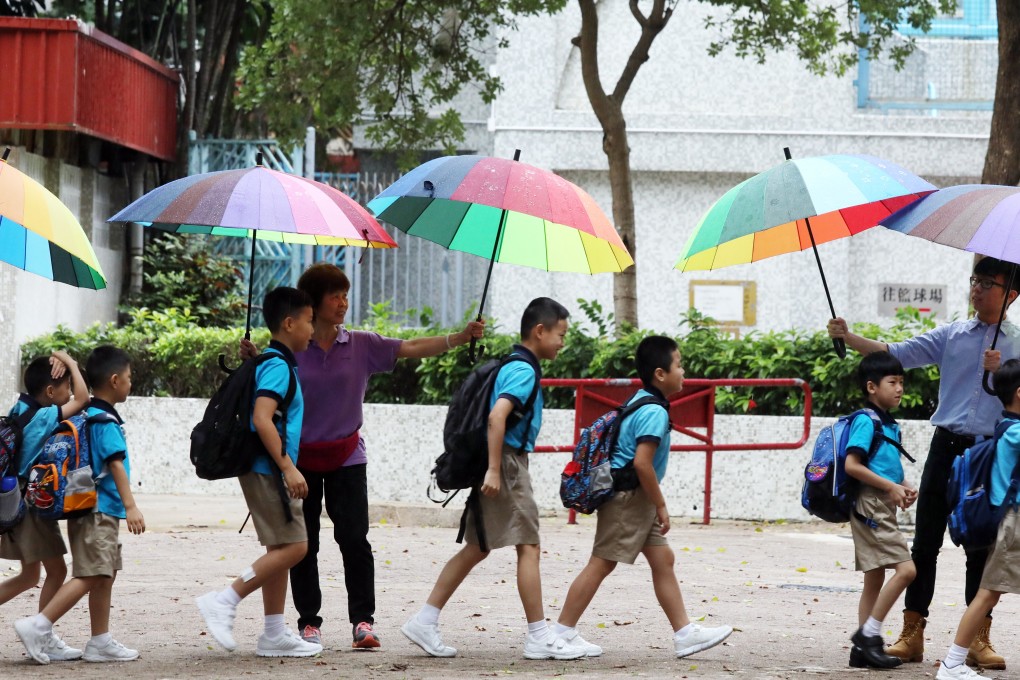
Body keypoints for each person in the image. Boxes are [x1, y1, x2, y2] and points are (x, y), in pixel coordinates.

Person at [240, 262, 484, 649]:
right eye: (335, 296)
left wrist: (460, 336)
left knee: (355, 539)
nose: (343, 303)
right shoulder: (289, 350)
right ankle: (308, 623)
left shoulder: (361, 344)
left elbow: (412, 347)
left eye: (345, 295)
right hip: (298, 461)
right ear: (313, 304)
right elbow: (266, 392)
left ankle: (363, 622)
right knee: (305, 543)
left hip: (347, 455)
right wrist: (255, 358)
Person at [827, 256, 1020, 669]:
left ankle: (977, 639)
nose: (978, 288)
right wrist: (849, 336)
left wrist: (1001, 368)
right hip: (945, 445)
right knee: (925, 542)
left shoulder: (1017, 342)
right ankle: (912, 632)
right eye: (975, 280)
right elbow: (895, 353)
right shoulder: (953, 334)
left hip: (988, 451)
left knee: (981, 546)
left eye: (989, 283)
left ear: (1011, 294)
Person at [401, 297, 592, 660]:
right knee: (529, 545)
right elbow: (497, 417)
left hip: (499, 461)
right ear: (540, 331)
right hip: (505, 463)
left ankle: (424, 621)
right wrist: (493, 469)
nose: (562, 342)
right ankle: (538, 636)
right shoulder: (523, 371)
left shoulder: (513, 363)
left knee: (478, 546)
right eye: (560, 334)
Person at [554, 335, 733, 659]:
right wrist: (661, 504)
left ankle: (684, 633)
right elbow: (642, 463)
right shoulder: (654, 412)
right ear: (660, 374)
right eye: (679, 365)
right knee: (601, 563)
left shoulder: (642, 400)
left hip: (635, 498)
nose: (684, 371)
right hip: (629, 498)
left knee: (663, 559)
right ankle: (560, 634)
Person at [197, 287, 322, 658]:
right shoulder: (278, 366)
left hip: (264, 467)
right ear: (289, 323)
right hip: (270, 468)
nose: (313, 330)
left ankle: (273, 633)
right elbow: (261, 418)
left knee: (281, 547)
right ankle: (225, 599)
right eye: (309, 321)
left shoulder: (272, 360)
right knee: (297, 547)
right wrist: (288, 467)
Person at [13, 345, 145, 664]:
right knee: (89, 573)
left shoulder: (31, 411)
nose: (130, 382)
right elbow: (113, 461)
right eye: (128, 378)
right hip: (90, 507)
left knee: (101, 572)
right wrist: (131, 506)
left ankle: (97, 639)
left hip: (74, 503)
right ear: (115, 381)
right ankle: (39, 627)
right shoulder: (92, 418)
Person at [0, 352, 90, 661]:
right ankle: (42, 634)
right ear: (51, 392)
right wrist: (70, 361)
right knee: (58, 570)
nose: (68, 391)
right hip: (31, 506)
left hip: (14, 500)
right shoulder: (43, 416)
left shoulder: (20, 408)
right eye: (63, 386)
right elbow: (83, 398)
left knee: (29, 576)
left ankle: (43, 633)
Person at [936, 359, 1020, 680]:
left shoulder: (1005, 428)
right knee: (988, 592)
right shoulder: (1015, 433)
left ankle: (953, 663)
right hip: (1014, 524)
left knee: (990, 591)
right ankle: (952, 664)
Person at [842, 352, 917, 668]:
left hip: (880, 504)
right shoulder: (866, 420)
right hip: (870, 505)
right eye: (892, 382)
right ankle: (868, 635)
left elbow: (885, 466)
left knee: (874, 579)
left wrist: (902, 484)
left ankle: (862, 652)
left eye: (901, 382)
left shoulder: (888, 423)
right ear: (872, 387)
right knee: (907, 570)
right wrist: (888, 487)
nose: (899, 388)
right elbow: (852, 465)